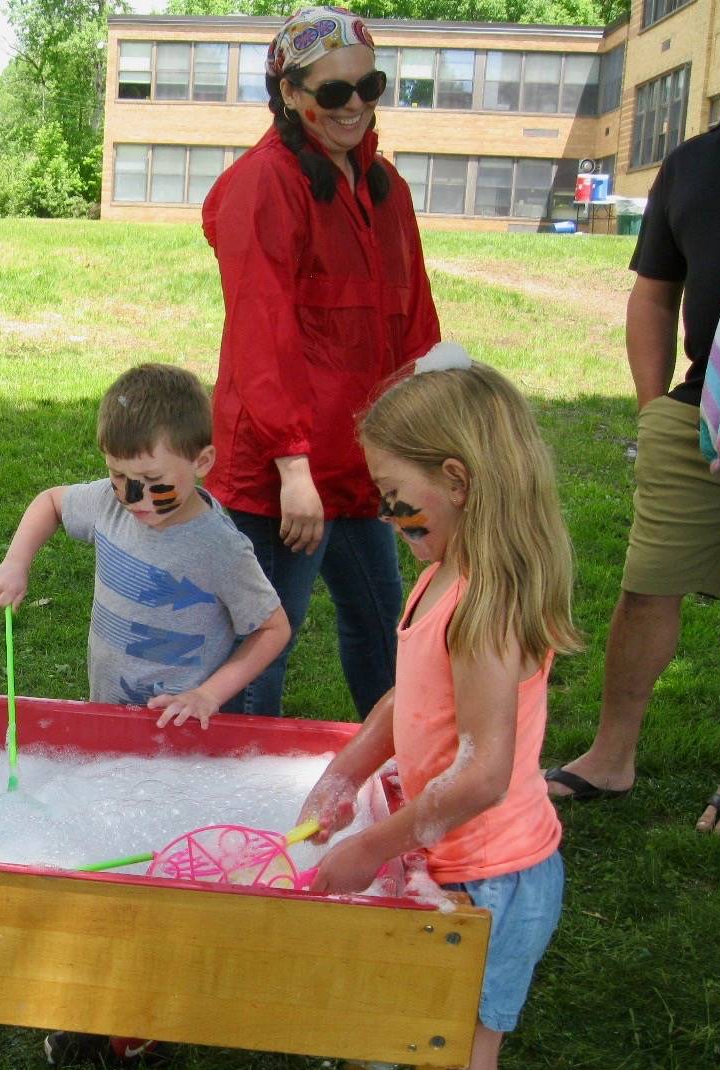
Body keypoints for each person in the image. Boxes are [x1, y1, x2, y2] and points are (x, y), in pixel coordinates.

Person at [295, 349, 576, 1070]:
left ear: (456, 478)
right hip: (461, 864)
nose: (386, 519)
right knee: (440, 1052)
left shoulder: (485, 601)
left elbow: (485, 773)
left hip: (495, 878)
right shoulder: (440, 573)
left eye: (397, 500)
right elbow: (404, 696)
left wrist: (376, 845)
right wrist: (348, 770)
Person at [545, 0, 720, 833]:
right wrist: (653, 405)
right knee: (645, 589)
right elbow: (654, 291)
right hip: (697, 414)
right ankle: (611, 755)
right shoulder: (693, 162)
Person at [201, 5, 440, 719]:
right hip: (283, 474)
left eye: (370, 87)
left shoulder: (384, 188)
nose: (355, 106)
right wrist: (293, 467)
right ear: (290, 92)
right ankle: (235, 806)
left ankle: (401, 765)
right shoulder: (264, 183)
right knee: (263, 644)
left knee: (383, 623)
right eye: (334, 92)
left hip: (363, 464)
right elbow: (261, 335)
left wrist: (426, 440)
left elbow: (415, 323)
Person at [0, 362, 289, 727]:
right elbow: (51, 502)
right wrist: (16, 562)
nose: (133, 495)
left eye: (151, 478)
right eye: (118, 474)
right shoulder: (108, 502)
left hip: (180, 729)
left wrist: (208, 694)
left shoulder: (219, 547)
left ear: (202, 462)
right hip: (109, 714)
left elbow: (273, 629)